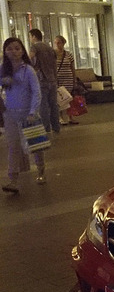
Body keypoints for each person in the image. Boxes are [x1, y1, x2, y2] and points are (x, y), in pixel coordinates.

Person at [0, 37, 45, 194]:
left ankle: (41, 170)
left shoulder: (28, 70)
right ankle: (13, 179)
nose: (14, 51)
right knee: (13, 146)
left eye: (17, 48)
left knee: (35, 145)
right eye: (10, 48)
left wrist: (33, 111)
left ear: (22, 51)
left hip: (28, 113)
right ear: (5, 51)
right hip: (10, 113)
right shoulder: (3, 69)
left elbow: (36, 92)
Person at [28, 28, 60, 134]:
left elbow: (30, 58)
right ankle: (56, 127)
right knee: (54, 104)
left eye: (30, 37)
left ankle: (46, 128)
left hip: (42, 80)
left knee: (44, 105)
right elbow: (55, 63)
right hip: (53, 80)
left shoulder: (35, 47)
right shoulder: (50, 48)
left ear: (34, 37)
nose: (30, 39)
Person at [54, 35, 78, 124]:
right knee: (60, 98)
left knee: (69, 98)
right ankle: (60, 117)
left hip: (68, 78)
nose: (57, 45)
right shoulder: (53, 55)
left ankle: (70, 116)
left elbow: (72, 67)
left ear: (63, 43)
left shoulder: (68, 55)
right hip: (58, 79)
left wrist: (74, 79)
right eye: (55, 42)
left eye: (59, 42)